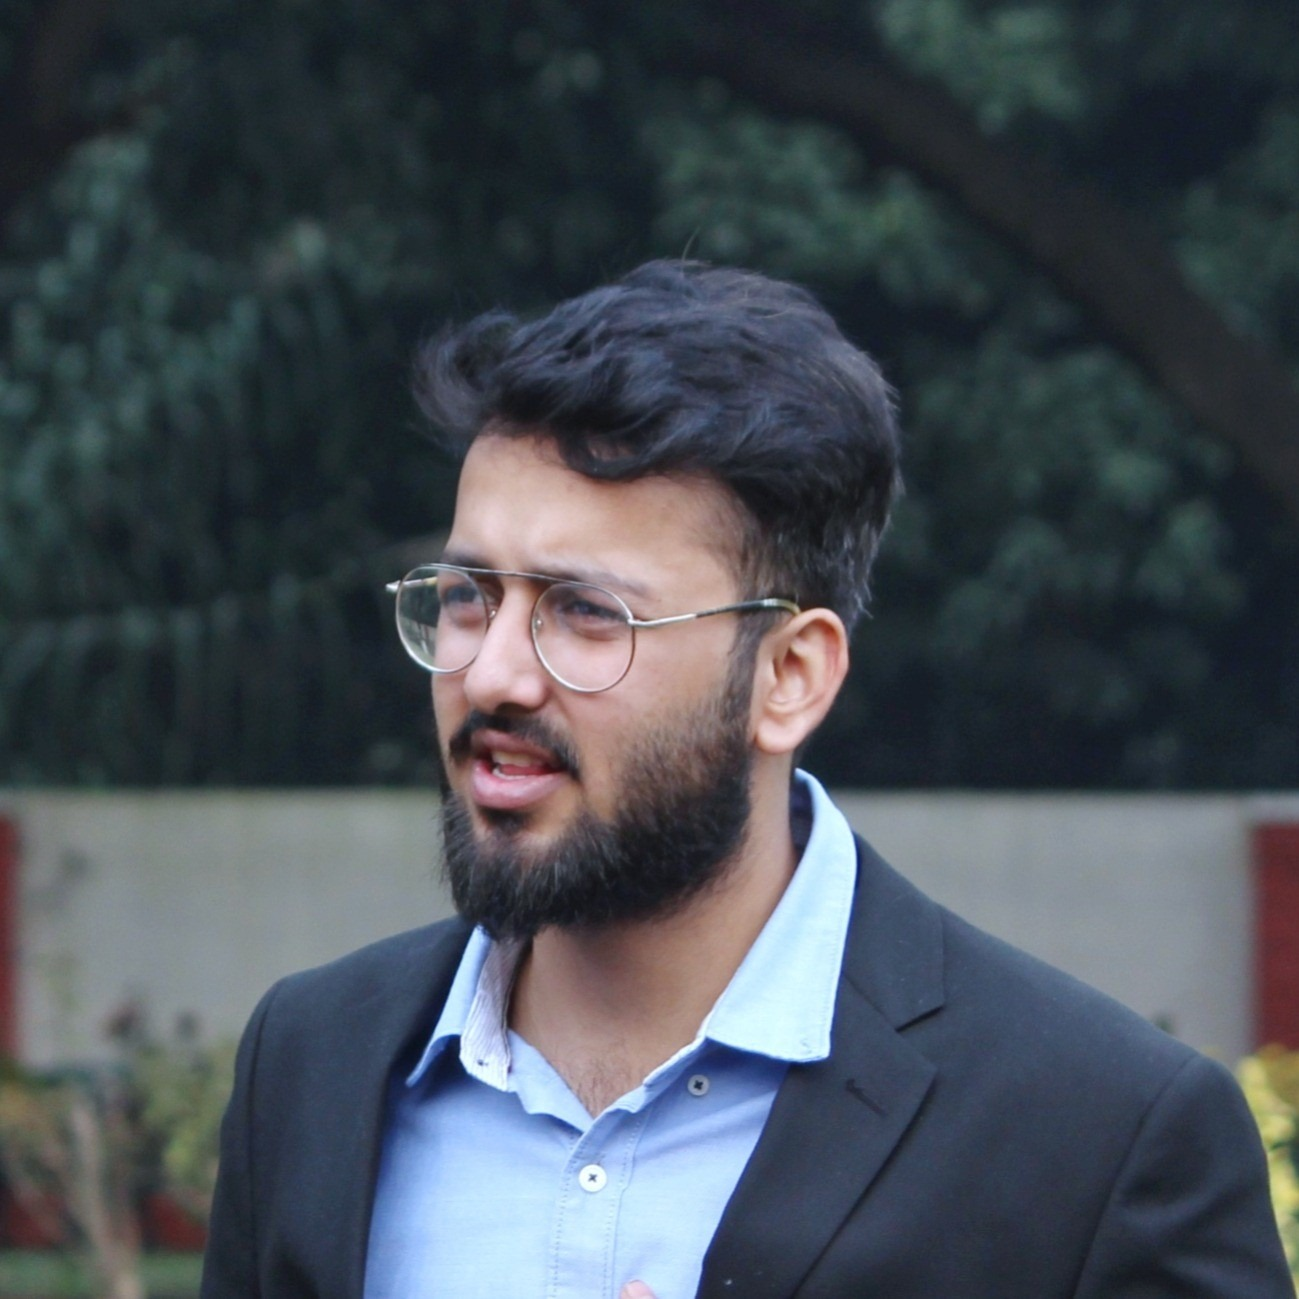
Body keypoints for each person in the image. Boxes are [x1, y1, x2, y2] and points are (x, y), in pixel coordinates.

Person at [201, 261, 1291, 1299]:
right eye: (467, 596)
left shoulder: (1104, 1138)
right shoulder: (314, 1062)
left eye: (586, 613)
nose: (490, 674)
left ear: (788, 677)